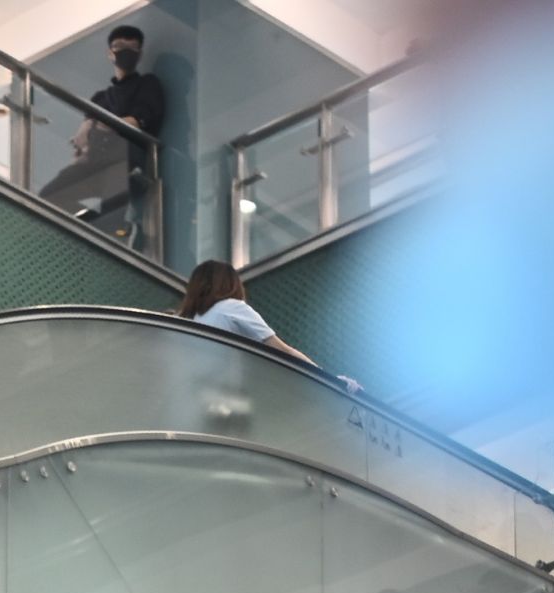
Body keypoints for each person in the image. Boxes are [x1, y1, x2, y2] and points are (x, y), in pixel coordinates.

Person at [38, 25, 166, 238]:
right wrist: (82, 145)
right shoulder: (101, 98)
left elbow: (137, 121)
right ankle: (86, 229)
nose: (125, 53)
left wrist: (94, 125)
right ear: (110, 53)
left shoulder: (147, 85)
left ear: (139, 54)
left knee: (111, 213)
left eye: (131, 48)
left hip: (125, 159)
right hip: (95, 161)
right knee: (49, 196)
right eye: (119, 47)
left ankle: (115, 231)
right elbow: (84, 137)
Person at [176, 259, 363, 392]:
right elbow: (283, 351)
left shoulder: (189, 321)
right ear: (230, 283)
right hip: (227, 400)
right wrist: (331, 382)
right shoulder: (231, 307)